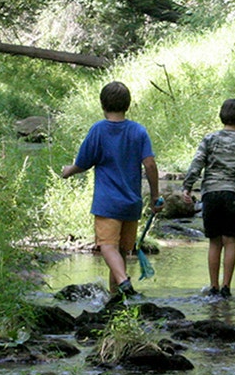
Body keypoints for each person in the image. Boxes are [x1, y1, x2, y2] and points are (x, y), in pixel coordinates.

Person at [61, 81, 163, 299]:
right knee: (120, 253)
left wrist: (68, 171)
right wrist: (155, 196)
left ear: (102, 105)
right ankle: (116, 298)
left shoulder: (98, 130)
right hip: (131, 203)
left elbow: (84, 162)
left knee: (107, 247)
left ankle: (124, 282)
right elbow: (150, 165)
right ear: (127, 105)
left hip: (108, 203)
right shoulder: (138, 131)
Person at [181, 98, 235, 299]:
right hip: (232, 194)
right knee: (230, 241)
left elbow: (197, 164)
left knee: (214, 242)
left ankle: (213, 286)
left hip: (210, 194)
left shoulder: (209, 139)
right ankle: (226, 287)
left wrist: (187, 188)